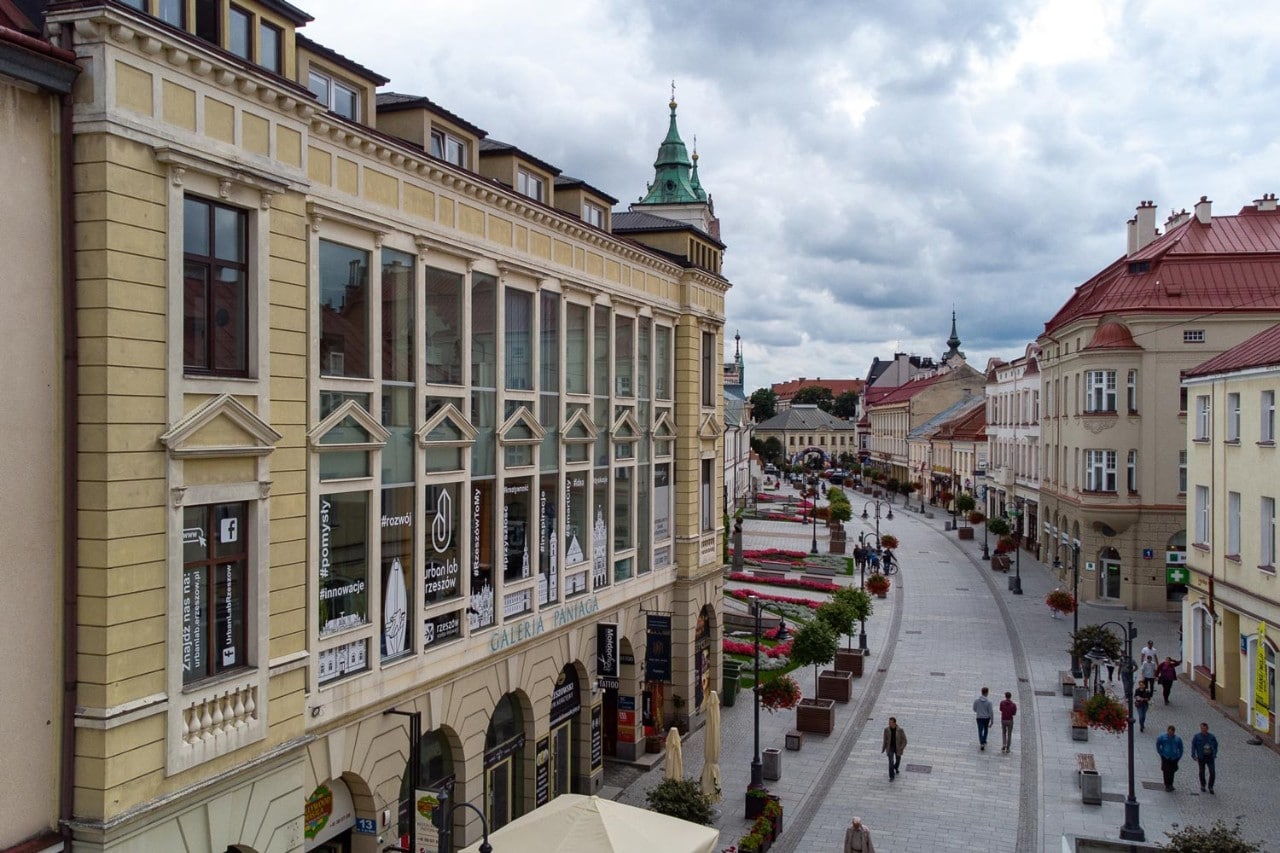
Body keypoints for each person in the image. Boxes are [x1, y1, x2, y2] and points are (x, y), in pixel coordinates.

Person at [1190, 722, 1218, 793]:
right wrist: (1193, 755)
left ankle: (1210, 786)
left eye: (1204, 728)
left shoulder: (1211, 737)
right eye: (1201, 728)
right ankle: (1203, 785)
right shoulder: (1197, 737)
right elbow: (1193, 746)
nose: (1203, 730)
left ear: (1207, 729)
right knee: (1202, 772)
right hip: (1201, 757)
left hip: (1210, 757)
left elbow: (1215, 745)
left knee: (1212, 772)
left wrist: (1214, 753)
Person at [1156, 724, 1184, 791]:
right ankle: (1167, 784)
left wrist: (1179, 756)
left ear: (1174, 732)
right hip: (1165, 756)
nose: (1170, 733)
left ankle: (1171, 784)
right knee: (1166, 771)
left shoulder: (1177, 739)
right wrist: (1160, 752)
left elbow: (1181, 748)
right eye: (1169, 732)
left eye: (1171, 732)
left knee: (1172, 771)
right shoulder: (1162, 737)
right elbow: (1158, 744)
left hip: (1174, 757)